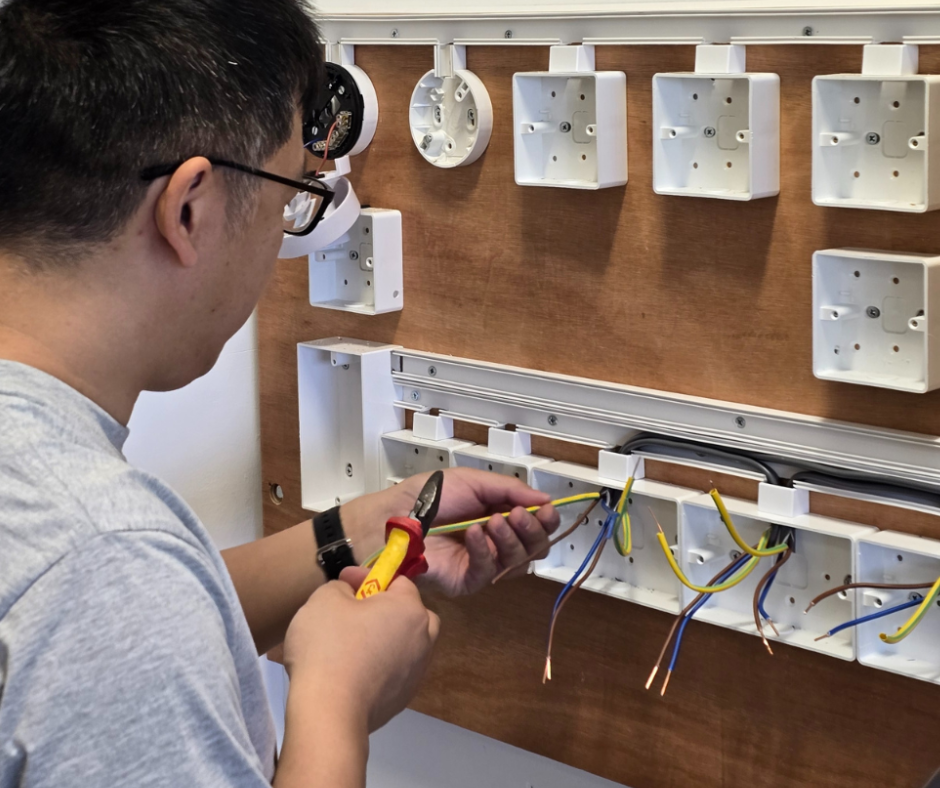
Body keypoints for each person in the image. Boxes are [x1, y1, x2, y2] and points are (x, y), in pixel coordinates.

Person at [0, 1, 560, 786]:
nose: (281, 240)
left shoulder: (84, 554)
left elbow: (112, 622)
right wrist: (337, 700)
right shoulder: (106, 563)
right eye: (292, 197)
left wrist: (359, 530)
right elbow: (114, 605)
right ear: (189, 209)